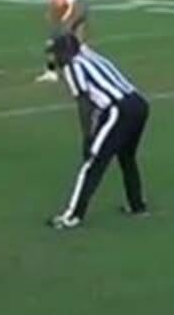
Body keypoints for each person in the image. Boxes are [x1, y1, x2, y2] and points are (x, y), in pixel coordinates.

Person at [44, 34, 148, 229]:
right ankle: (137, 205)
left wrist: (88, 137)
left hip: (119, 109)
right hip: (139, 104)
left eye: (57, 54)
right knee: (127, 157)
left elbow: (84, 104)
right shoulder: (90, 55)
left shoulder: (72, 67)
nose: (55, 59)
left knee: (93, 163)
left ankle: (73, 216)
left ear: (66, 53)